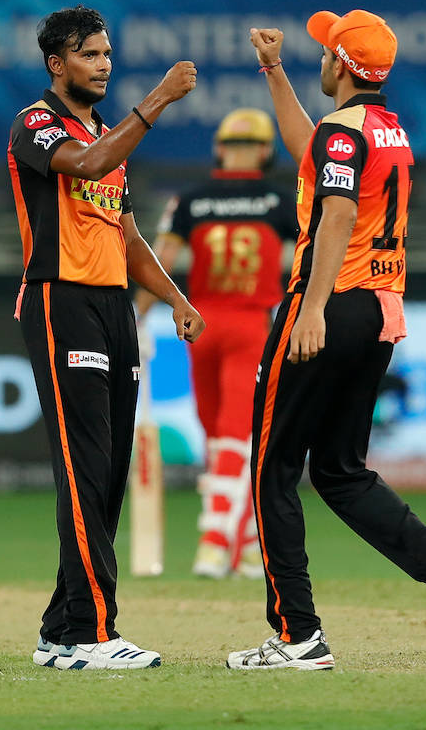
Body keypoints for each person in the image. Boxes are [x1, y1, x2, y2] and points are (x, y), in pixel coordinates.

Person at [225, 10, 426, 670]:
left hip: (329, 305)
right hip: (379, 310)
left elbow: (337, 210)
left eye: (323, 53)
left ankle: (298, 637)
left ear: (341, 65)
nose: (319, 60)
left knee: (272, 471)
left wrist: (311, 308)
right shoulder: (380, 129)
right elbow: (310, 153)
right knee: (339, 471)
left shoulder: (341, 136)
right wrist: (274, 70)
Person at [7, 5, 204, 671]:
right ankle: (92, 632)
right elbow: (87, 165)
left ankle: (61, 629)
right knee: (84, 468)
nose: (103, 65)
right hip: (60, 301)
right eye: (89, 55)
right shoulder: (37, 125)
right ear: (57, 63)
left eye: (107, 54)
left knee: (111, 472)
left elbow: (126, 236)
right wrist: (159, 101)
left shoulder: (105, 134)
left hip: (115, 307)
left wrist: (175, 298)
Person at [134, 108, 297, 579]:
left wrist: (137, 316)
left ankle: (239, 541)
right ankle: (217, 541)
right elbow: (311, 252)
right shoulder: (278, 201)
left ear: (219, 148)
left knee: (217, 436)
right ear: (267, 151)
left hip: (199, 326)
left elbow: (159, 261)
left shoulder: (189, 200)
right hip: (251, 324)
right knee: (236, 436)